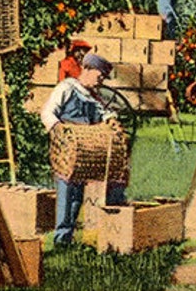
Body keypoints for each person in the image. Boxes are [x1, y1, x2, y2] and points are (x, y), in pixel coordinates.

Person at [40, 53, 127, 246]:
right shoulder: (67, 88)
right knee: (66, 193)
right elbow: (48, 112)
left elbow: (105, 113)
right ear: (86, 70)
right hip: (68, 152)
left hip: (84, 154)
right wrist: (60, 131)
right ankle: (61, 238)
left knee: (77, 196)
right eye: (99, 76)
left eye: (103, 77)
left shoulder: (92, 96)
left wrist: (112, 122)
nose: (101, 81)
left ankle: (68, 237)